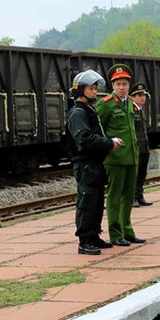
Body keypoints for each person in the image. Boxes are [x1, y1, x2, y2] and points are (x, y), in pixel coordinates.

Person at [66, 70, 122, 255]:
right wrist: (108, 143)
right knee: (87, 201)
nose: (95, 91)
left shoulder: (89, 109)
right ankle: (84, 240)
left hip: (95, 163)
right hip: (85, 164)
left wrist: (108, 142)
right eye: (91, 88)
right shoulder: (78, 113)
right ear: (80, 90)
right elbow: (83, 138)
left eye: (96, 88)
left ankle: (94, 235)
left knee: (97, 201)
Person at [96, 64, 145, 246]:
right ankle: (116, 234)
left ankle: (127, 230)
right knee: (115, 196)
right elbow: (98, 128)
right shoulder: (106, 104)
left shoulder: (131, 104)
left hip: (131, 156)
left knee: (129, 195)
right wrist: (108, 143)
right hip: (115, 158)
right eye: (118, 84)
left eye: (125, 84)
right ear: (112, 85)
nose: (122, 87)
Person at [130, 83, 153, 207]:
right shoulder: (131, 110)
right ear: (132, 97)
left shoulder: (140, 110)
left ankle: (140, 195)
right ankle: (133, 197)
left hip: (144, 146)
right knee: (135, 173)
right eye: (139, 95)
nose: (142, 98)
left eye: (143, 95)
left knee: (142, 173)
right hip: (136, 146)